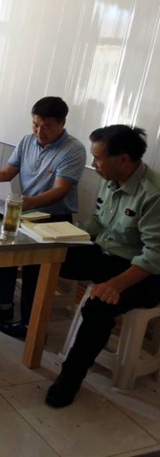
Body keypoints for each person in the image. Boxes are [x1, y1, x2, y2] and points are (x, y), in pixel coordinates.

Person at [42, 125, 159, 407]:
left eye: (97, 158)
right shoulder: (111, 178)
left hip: (145, 273)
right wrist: (63, 236)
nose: (93, 164)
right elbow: (98, 223)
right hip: (107, 255)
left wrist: (114, 285)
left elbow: (154, 256)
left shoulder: (153, 194)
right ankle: (30, 326)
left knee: (98, 307)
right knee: (44, 255)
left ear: (123, 159)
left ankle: (69, 379)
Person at [0, 97, 86, 333]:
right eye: (35, 124)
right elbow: (7, 173)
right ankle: (2, 306)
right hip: (24, 211)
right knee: (3, 249)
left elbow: (60, 190)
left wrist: (29, 203)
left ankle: (30, 323)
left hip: (53, 218)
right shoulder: (27, 141)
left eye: (47, 126)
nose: (39, 132)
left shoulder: (73, 150)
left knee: (35, 267)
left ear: (62, 123)